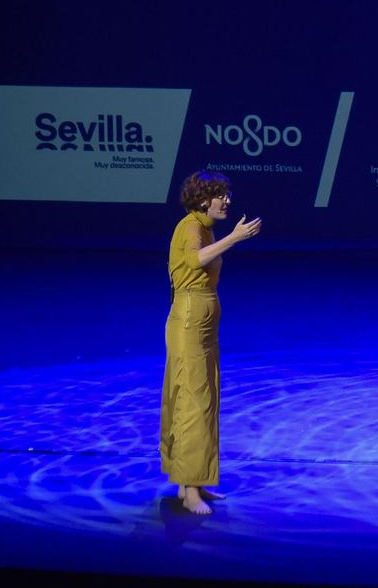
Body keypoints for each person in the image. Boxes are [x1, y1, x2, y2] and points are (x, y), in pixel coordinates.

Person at [161, 170, 260, 515]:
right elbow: (194, 260)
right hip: (189, 320)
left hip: (202, 321)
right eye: (222, 195)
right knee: (193, 402)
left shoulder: (204, 227)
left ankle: (196, 480)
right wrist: (234, 238)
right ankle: (188, 492)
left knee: (205, 400)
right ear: (204, 199)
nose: (228, 201)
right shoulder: (190, 226)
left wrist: (227, 237)